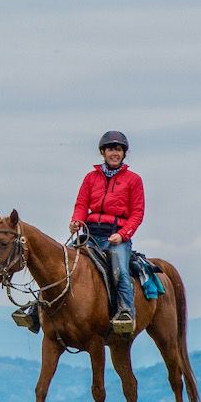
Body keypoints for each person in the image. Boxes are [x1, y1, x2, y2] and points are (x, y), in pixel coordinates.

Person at [69, 131, 145, 334]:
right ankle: (38, 307)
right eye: (111, 149)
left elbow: (137, 213)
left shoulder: (133, 180)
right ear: (103, 152)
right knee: (61, 260)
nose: (115, 153)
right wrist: (76, 221)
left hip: (116, 236)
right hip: (91, 233)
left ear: (123, 154)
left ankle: (126, 312)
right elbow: (81, 204)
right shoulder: (90, 177)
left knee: (119, 269)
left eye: (118, 149)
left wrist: (123, 234)